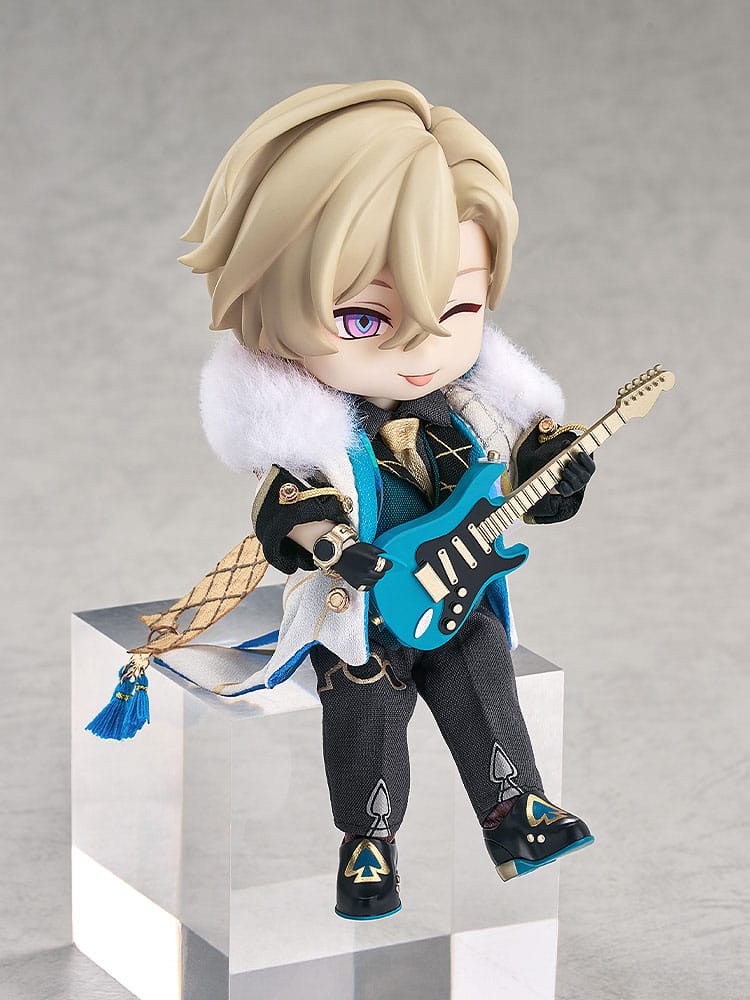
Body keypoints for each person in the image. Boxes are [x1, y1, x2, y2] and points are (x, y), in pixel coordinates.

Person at [183, 80, 596, 920]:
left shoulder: (477, 410)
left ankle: (517, 812)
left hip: (456, 596)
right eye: (366, 319)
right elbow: (288, 513)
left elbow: (522, 489)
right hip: (359, 610)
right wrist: (331, 544)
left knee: (484, 666)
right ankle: (368, 845)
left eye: (458, 307)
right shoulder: (308, 435)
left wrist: (556, 475)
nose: (423, 347)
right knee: (366, 700)